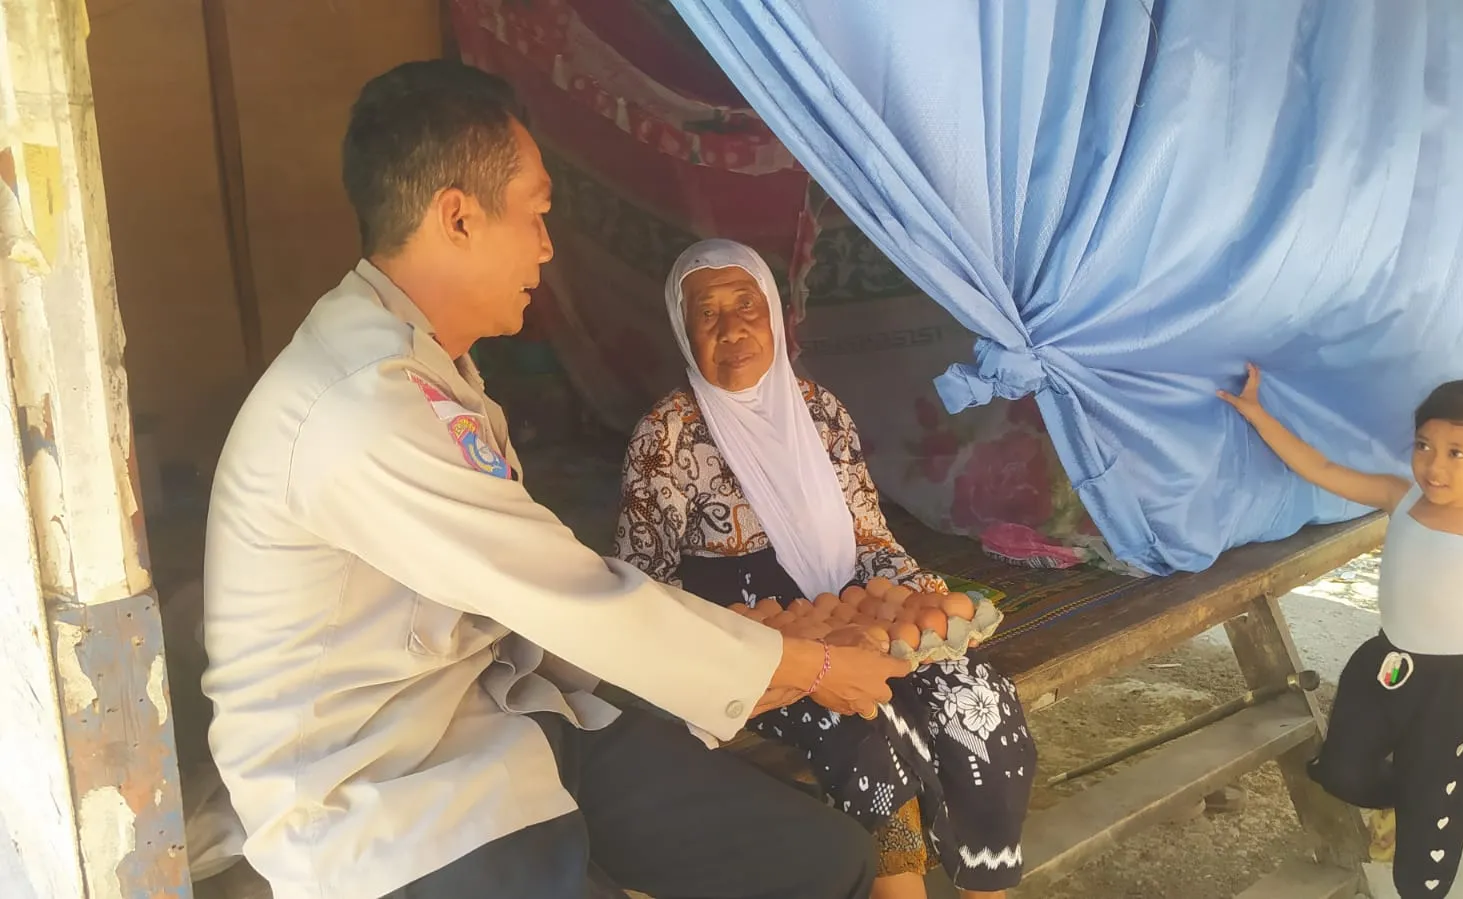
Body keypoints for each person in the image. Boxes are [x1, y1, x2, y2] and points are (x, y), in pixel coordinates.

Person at [202, 60, 912, 899]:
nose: (547, 244)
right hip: (385, 790)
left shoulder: (431, 368)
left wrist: (746, 666)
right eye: (537, 213)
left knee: (826, 860)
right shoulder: (363, 402)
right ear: (458, 217)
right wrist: (802, 667)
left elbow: (546, 606)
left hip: (508, 716)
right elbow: (568, 591)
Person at [614, 240, 1038, 899]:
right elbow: (643, 585)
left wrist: (923, 600)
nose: (731, 328)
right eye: (707, 312)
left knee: (975, 696)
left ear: (773, 314)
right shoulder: (664, 437)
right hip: (754, 645)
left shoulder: (820, 412)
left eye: (746, 304)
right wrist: (736, 650)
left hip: (854, 610)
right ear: (683, 328)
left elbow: (870, 539)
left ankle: (988, 888)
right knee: (863, 728)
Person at [1219, 367, 1463, 899]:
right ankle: (1410, 792)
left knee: (1432, 833)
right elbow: (1318, 468)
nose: (1433, 464)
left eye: (1457, 453)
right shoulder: (1399, 496)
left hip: (1454, 688)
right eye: (1424, 445)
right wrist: (1257, 414)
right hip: (1385, 664)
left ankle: (1422, 865)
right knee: (1339, 772)